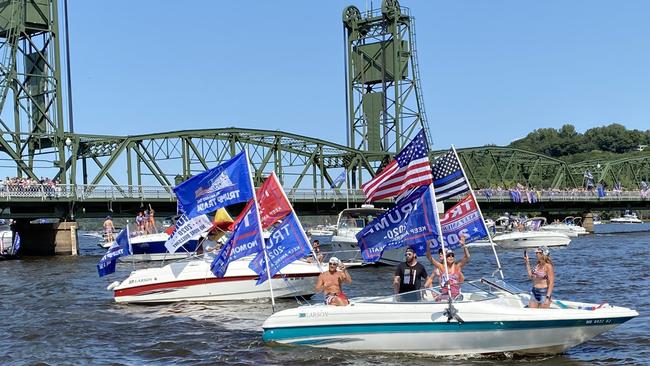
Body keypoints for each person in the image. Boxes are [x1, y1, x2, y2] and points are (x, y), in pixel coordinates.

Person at [425, 235, 470, 300]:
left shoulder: (457, 267)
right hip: (445, 295)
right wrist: (428, 245)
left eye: (452, 255)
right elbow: (429, 257)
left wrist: (464, 245)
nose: (451, 257)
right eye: (448, 256)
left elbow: (467, 257)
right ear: (445, 258)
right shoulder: (441, 267)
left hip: (456, 296)